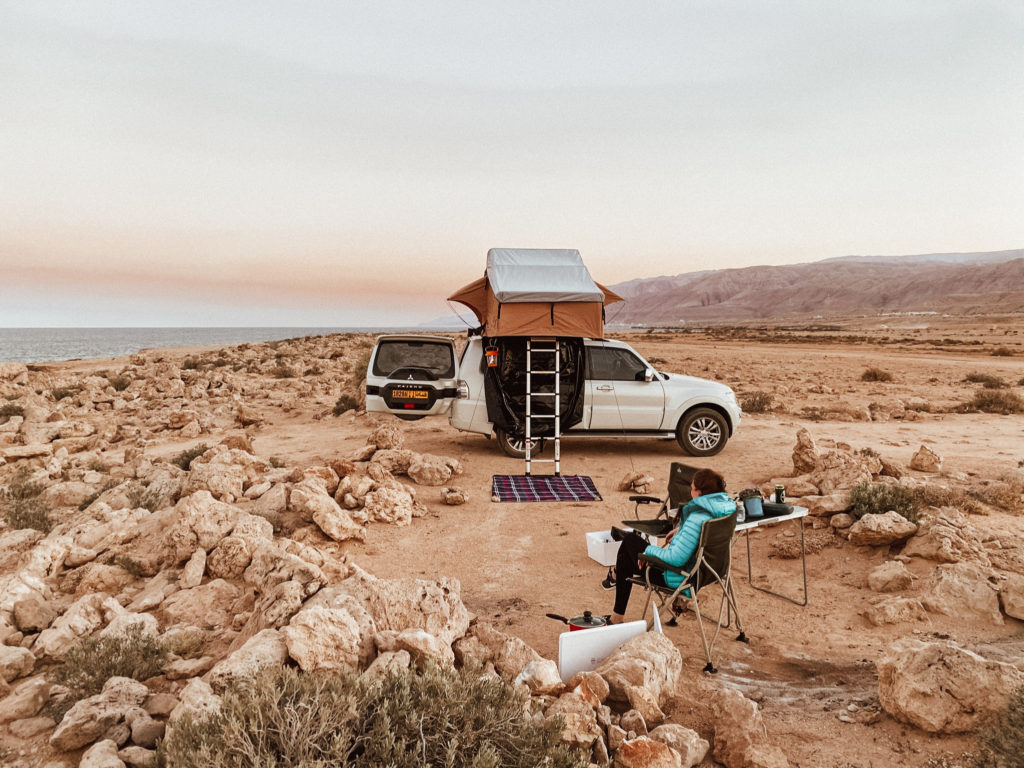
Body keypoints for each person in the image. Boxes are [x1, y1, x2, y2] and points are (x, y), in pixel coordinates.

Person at [605, 468, 735, 624]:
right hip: (711, 571)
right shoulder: (726, 510)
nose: (690, 492)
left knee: (630, 542)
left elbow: (675, 559)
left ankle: (616, 605)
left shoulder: (696, 519)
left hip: (678, 577)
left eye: (693, 489)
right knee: (627, 553)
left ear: (701, 493)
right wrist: (682, 530)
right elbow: (701, 532)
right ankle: (616, 604)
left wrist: (648, 553)